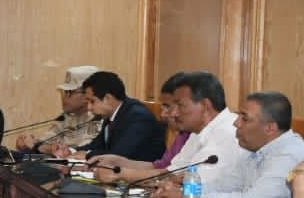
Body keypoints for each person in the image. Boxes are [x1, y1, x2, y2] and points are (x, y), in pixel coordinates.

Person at [150, 91, 304, 198]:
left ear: (270, 128)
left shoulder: (288, 156)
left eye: (244, 118)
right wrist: (183, 191)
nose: (236, 123)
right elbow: (226, 185)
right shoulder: (256, 149)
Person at [92, 71, 243, 185]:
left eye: (181, 105)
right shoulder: (198, 132)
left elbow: (189, 184)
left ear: (204, 105)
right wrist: (119, 165)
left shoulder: (227, 133)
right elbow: (171, 172)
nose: (174, 113)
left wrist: (120, 174)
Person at [76, 71, 166, 162]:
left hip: (141, 170)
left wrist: (88, 154)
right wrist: (72, 151)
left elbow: (119, 154)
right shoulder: (111, 114)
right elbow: (96, 145)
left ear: (107, 98)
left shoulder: (138, 117)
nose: (89, 108)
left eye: (92, 101)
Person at [15, 65, 99, 155]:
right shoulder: (67, 117)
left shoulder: (98, 119)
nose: (64, 97)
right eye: (63, 92)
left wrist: (39, 147)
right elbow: (46, 141)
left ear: (87, 94)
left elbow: (78, 152)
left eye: (69, 92)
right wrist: (27, 143)